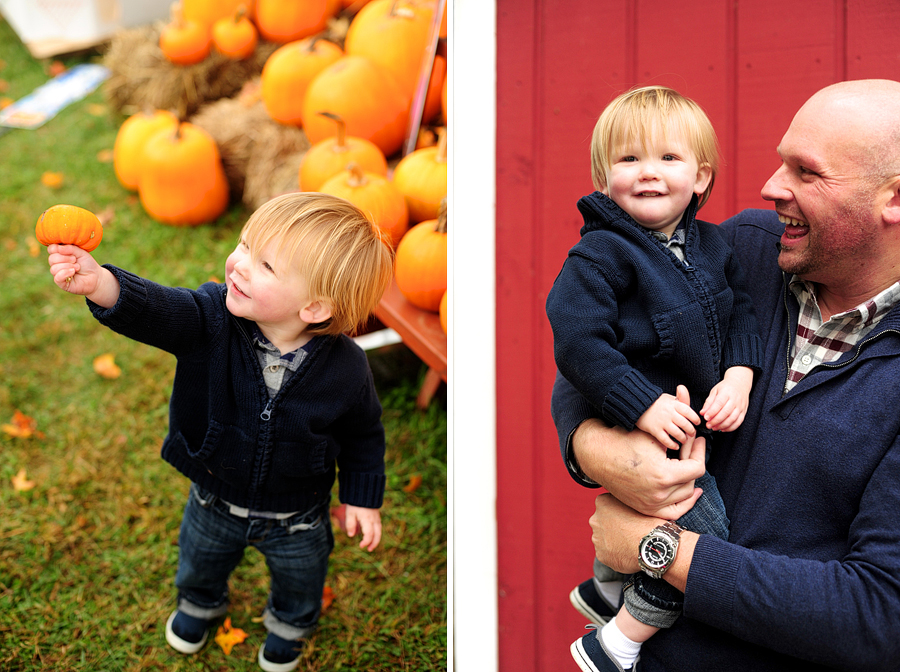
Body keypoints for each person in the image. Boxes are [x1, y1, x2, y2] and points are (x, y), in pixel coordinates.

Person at [552, 78, 900, 671]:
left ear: (893, 199)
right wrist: (597, 452)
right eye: (779, 161)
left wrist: (657, 550)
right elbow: (595, 358)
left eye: (806, 173)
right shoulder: (741, 247)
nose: (771, 187)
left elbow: (879, 616)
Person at [45, 192, 394, 672]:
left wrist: (362, 496)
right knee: (201, 558)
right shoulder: (210, 318)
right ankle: (199, 604)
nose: (239, 265)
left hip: (297, 512)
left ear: (314, 307)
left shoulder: (348, 370)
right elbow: (157, 311)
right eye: (244, 245)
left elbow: (363, 435)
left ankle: (290, 625)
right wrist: (101, 284)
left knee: (301, 576)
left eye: (265, 264)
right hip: (214, 493)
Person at [545, 85, 763, 671]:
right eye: (628, 158)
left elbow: (741, 312)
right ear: (602, 175)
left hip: (694, 423)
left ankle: (602, 590)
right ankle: (616, 641)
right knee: (701, 532)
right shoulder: (600, 257)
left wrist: (739, 376)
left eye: (668, 158)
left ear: (700, 177)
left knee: (651, 517)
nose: (648, 172)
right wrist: (641, 405)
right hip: (641, 427)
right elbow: (579, 344)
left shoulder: (713, 246)